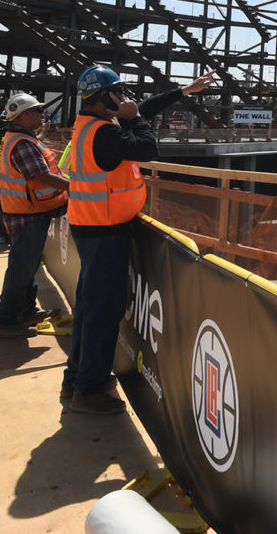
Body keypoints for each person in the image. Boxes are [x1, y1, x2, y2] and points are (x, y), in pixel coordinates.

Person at [62, 65, 216, 415]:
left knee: (88, 307)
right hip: (103, 231)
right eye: (119, 93)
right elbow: (148, 148)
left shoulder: (90, 125)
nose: (127, 98)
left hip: (91, 225)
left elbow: (143, 109)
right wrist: (132, 120)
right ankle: (88, 390)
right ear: (106, 98)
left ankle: (76, 379)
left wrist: (182, 92)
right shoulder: (105, 134)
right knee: (103, 311)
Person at [0, 93, 68, 338]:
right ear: (24, 115)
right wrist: (75, 186)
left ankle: (25, 311)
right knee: (21, 268)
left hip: (28, 209)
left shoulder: (21, 138)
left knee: (29, 265)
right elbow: (40, 177)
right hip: (27, 212)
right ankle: (4, 320)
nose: (41, 114)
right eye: (37, 110)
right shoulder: (22, 143)